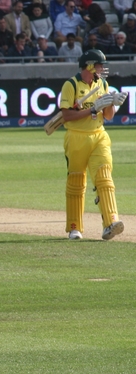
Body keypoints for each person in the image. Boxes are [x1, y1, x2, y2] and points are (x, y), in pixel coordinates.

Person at [60, 49, 127, 240]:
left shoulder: (102, 83)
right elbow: (66, 116)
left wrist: (112, 103)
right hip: (76, 137)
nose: (102, 69)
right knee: (76, 181)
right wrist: (92, 110)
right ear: (89, 65)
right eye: (99, 65)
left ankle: (111, 222)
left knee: (104, 176)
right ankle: (74, 227)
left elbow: (108, 116)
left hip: (99, 135)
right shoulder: (71, 85)